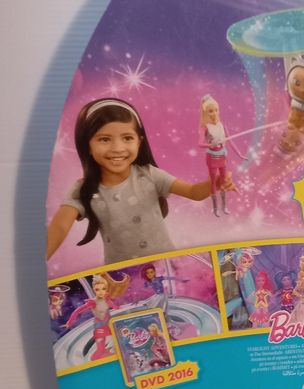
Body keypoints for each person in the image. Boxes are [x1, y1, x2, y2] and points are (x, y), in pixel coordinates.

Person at [46, 98, 236, 265]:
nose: (117, 148)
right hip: (123, 275)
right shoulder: (83, 189)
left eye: (127, 138)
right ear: (87, 145)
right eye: (104, 139)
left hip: (168, 265)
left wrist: (217, 181)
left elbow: (193, 192)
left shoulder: (149, 175)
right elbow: (60, 226)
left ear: (139, 142)